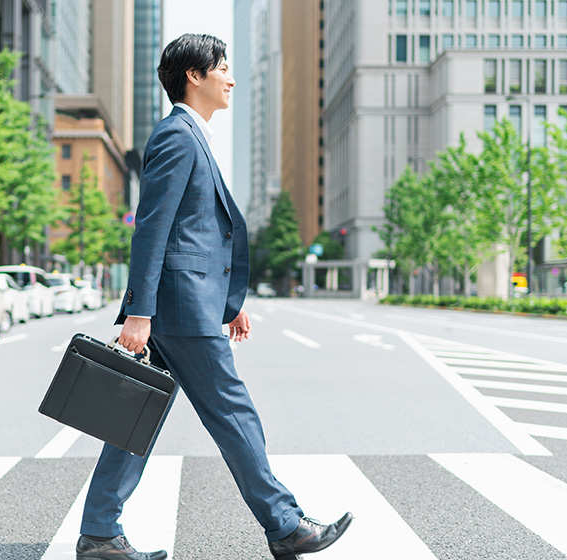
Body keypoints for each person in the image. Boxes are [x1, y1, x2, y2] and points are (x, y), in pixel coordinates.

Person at [74, 33, 352, 560]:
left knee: (139, 413)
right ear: (193, 76)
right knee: (234, 412)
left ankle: (99, 533)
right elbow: (152, 230)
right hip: (177, 311)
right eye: (221, 66)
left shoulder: (191, 135)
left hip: (187, 305)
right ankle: (286, 525)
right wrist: (139, 312)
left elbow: (195, 234)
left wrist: (228, 301)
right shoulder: (178, 136)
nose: (230, 76)